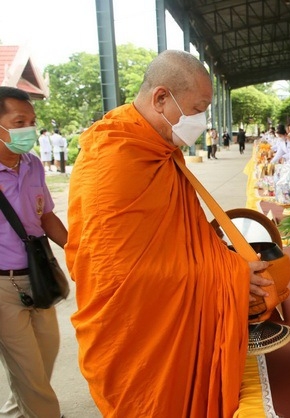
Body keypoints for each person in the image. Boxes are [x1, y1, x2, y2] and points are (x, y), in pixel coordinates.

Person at [65, 50, 273, 417]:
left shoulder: (158, 150)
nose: (201, 121)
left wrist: (222, 258)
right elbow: (118, 277)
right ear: (161, 98)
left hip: (174, 322)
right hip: (136, 339)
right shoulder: (113, 157)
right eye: (197, 109)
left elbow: (180, 238)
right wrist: (229, 275)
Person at [0, 86, 67, 418]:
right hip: (3, 287)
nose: (28, 129)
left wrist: (79, 249)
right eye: (18, 122)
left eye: (31, 121)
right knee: (28, 370)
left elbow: (47, 217)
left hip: (39, 278)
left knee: (44, 358)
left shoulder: (33, 165)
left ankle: (15, 412)